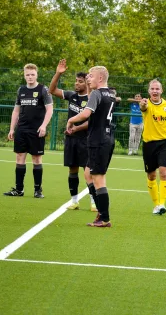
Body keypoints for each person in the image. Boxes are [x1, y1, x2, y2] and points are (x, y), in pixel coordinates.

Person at [66, 66, 115, 227]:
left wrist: (71, 120)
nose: (88, 78)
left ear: (100, 78)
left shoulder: (96, 93)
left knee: (98, 179)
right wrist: (89, 86)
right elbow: (93, 102)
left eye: (91, 76)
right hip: (107, 138)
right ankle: (101, 211)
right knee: (88, 174)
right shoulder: (110, 93)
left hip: (98, 140)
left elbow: (86, 113)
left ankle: (104, 218)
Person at [48, 59, 96, 211]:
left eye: (80, 81)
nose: (76, 83)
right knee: (72, 170)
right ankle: (74, 201)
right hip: (71, 140)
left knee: (89, 172)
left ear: (86, 83)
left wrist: (77, 128)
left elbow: (91, 121)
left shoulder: (92, 99)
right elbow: (52, 90)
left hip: (86, 140)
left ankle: (94, 202)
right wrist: (58, 73)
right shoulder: (71, 96)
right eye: (76, 81)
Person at [4, 64, 53, 198]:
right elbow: (16, 111)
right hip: (22, 129)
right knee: (19, 157)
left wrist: (43, 126)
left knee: (36, 158)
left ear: (37, 75)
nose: (30, 77)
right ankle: (19, 190)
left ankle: (38, 190)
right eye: (27, 74)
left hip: (36, 130)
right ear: (24, 75)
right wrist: (12, 128)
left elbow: (50, 110)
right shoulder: (21, 90)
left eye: (32, 74)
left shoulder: (43, 89)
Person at [140, 79, 166, 215]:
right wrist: (142, 104)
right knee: (152, 176)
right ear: (149, 91)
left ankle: (162, 204)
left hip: (164, 143)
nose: (155, 91)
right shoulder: (146, 104)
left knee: (164, 173)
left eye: (157, 89)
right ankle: (156, 204)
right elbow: (143, 107)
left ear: (161, 91)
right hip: (149, 144)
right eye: (152, 89)